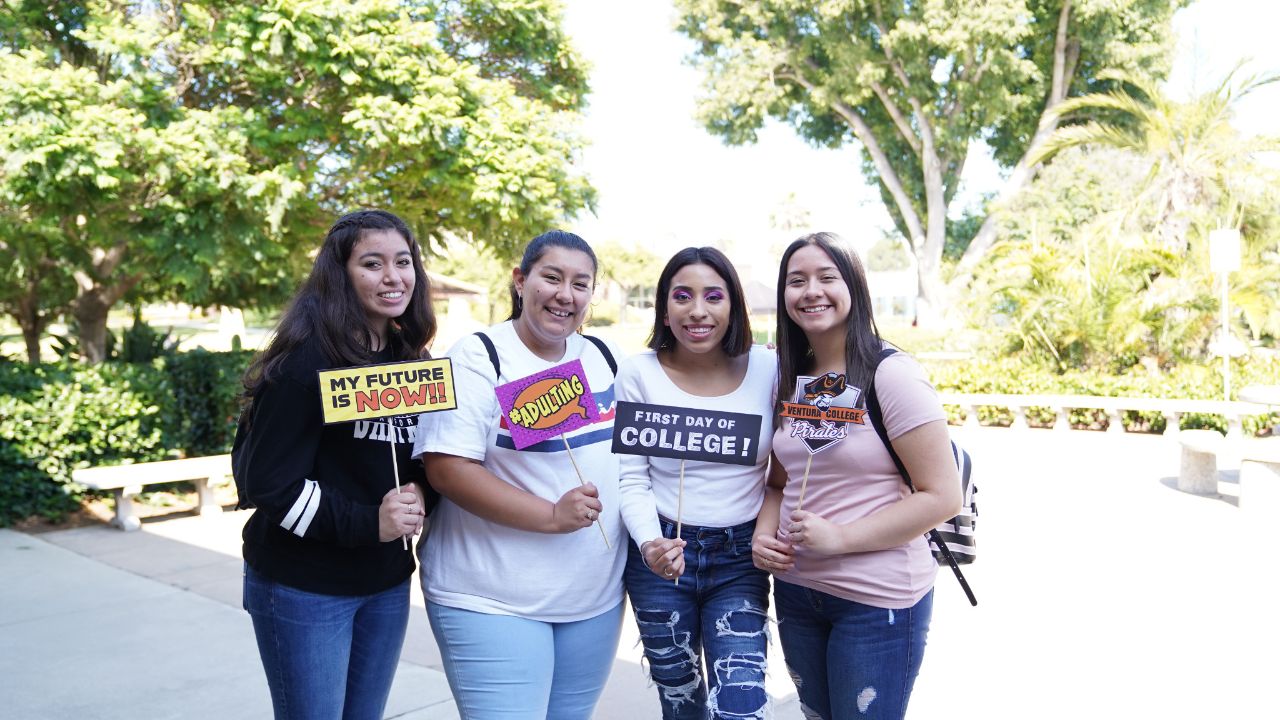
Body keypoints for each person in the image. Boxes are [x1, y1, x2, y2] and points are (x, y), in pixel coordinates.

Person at [412, 230, 626, 720]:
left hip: (593, 602)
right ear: (520, 280)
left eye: (580, 284)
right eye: (551, 277)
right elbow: (447, 469)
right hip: (492, 599)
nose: (564, 295)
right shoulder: (477, 356)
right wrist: (551, 515)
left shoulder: (603, 357)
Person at [235, 209, 437, 720]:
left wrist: (420, 494)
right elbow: (269, 484)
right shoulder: (305, 363)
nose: (393, 277)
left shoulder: (410, 361)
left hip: (386, 581)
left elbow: (415, 456)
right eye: (372, 263)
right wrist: (369, 522)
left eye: (403, 261)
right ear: (340, 275)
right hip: (304, 586)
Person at [751, 232, 961, 720]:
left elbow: (942, 494)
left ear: (855, 286)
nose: (811, 291)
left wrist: (841, 538)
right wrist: (764, 535)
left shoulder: (892, 374)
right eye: (796, 280)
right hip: (799, 593)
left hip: (877, 602)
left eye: (828, 277)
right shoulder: (787, 375)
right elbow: (780, 483)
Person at [615, 247, 777, 719]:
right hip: (662, 554)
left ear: (734, 305)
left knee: (741, 705)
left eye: (714, 296)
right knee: (682, 704)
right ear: (664, 308)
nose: (698, 310)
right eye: (682, 296)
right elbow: (631, 476)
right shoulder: (638, 371)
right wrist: (650, 543)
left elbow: (787, 468)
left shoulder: (770, 368)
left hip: (741, 557)